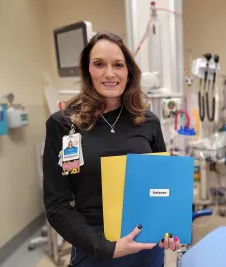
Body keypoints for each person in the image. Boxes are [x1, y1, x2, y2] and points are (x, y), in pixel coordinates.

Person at [43, 31, 181, 267]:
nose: (110, 73)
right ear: (88, 71)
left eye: (118, 65)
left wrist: (171, 229)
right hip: (94, 248)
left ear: (129, 72)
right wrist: (106, 247)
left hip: (145, 245)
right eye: (99, 64)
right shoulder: (64, 125)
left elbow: (162, 187)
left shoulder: (148, 122)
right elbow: (57, 206)